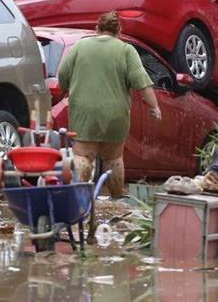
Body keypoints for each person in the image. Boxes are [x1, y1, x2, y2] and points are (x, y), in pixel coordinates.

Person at [57, 11, 160, 197]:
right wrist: (154, 106)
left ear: (97, 28)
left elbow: (62, 75)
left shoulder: (80, 46)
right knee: (113, 158)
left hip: (84, 112)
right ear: (119, 31)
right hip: (115, 114)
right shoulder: (126, 50)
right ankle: (116, 199)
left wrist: (65, 89)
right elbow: (141, 81)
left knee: (83, 156)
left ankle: (79, 200)